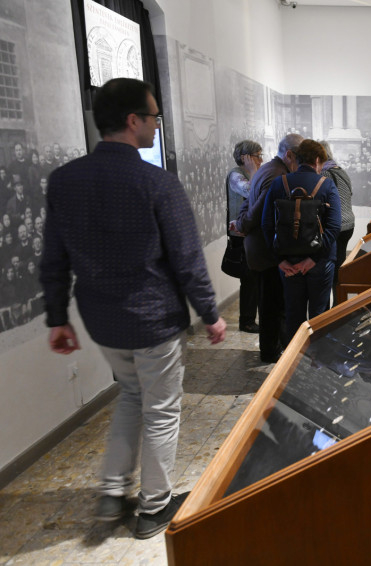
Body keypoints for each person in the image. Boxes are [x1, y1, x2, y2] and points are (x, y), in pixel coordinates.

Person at [38, 78, 226, 539]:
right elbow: (186, 258)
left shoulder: (65, 180)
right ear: (132, 120)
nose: (157, 125)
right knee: (160, 409)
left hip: (102, 321)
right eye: (154, 117)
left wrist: (57, 318)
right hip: (153, 319)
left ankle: (111, 492)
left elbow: (54, 258)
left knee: (131, 395)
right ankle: (154, 507)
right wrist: (210, 313)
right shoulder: (156, 183)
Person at [261, 139, 341, 347]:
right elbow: (334, 227)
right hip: (320, 262)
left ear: (297, 158)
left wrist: (279, 260)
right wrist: (313, 258)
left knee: (293, 315)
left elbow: (266, 224)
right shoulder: (326, 184)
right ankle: (317, 360)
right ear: (317, 160)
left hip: (288, 261)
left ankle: (294, 362)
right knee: (319, 316)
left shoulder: (279, 183)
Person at [232, 133, 304, 363]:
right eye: (300, 158)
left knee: (270, 301)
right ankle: (271, 352)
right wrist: (243, 224)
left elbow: (248, 203)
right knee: (272, 305)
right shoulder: (277, 175)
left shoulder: (268, 169)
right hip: (266, 249)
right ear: (289, 154)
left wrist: (242, 222)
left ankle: (274, 348)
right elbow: (258, 210)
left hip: (260, 247)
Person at [226, 140, 262, 333]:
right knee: (249, 279)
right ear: (245, 157)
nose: (261, 159)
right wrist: (255, 171)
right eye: (257, 155)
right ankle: (246, 321)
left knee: (254, 278)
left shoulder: (250, 174)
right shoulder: (236, 175)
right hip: (239, 234)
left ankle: (251, 318)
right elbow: (252, 192)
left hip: (249, 232)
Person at [318, 140, 354, 306]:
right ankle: (339, 303)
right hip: (349, 223)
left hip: (336, 225)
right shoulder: (340, 170)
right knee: (339, 264)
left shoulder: (325, 174)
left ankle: (333, 308)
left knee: (329, 268)